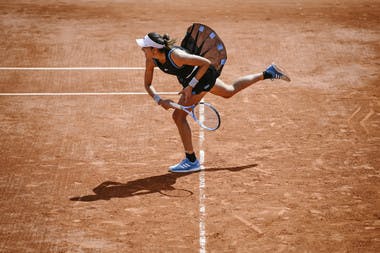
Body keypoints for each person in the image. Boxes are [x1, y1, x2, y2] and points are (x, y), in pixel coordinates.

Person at [136, 24, 290, 173]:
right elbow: (148, 84)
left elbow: (205, 63)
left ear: (154, 49)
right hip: (192, 79)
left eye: (144, 47)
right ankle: (268, 73)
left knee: (178, 117)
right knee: (229, 91)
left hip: (200, 79)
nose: (142, 49)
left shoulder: (177, 56)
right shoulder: (151, 59)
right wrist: (159, 100)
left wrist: (190, 86)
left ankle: (191, 160)